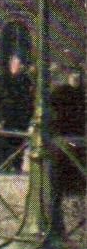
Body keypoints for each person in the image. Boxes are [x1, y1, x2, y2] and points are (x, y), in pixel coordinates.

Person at [0, 55, 34, 174]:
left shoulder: (26, 80)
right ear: (12, 64)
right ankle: (3, 165)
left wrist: (29, 115)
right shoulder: (3, 78)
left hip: (20, 117)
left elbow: (30, 99)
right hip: (5, 115)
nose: (20, 67)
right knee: (3, 141)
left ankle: (16, 165)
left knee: (18, 142)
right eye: (18, 64)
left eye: (21, 65)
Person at [47, 66, 85, 200]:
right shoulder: (60, 92)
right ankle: (64, 189)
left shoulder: (82, 93)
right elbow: (52, 110)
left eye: (78, 76)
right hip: (63, 133)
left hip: (78, 133)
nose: (76, 78)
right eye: (73, 75)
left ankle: (75, 188)